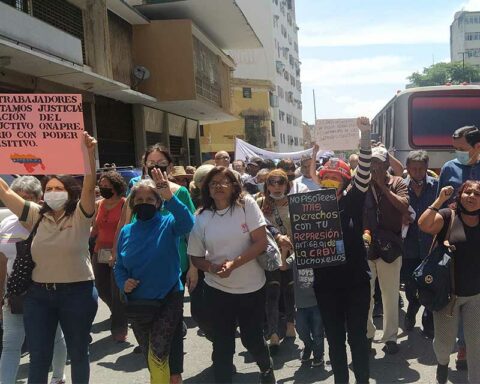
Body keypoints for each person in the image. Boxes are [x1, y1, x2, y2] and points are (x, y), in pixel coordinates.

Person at [0, 132, 98, 383]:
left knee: (78, 353)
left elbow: (89, 186)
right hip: (39, 296)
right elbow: (5, 193)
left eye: (59, 189)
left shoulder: (80, 215)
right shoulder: (35, 215)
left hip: (77, 294)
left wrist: (89, 154)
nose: (54, 192)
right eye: (49, 189)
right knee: (39, 356)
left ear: (69, 193)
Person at [115, 144, 197, 382]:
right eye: (139, 199)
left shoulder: (169, 222)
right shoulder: (127, 231)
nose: (144, 202)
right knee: (152, 355)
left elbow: (188, 224)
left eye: (150, 199)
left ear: (158, 202)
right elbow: (119, 265)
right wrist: (123, 282)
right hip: (138, 301)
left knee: (158, 352)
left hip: (168, 296)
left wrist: (168, 195)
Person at [188, 167, 275, 384]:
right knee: (222, 343)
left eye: (223, 181)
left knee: (251, 338)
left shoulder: (246, 205)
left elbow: (261, 242)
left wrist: (233, 265)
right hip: (218, 289)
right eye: (213, 183)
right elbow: (196, 257)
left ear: (234, 186)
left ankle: (266, 368)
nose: (218, 186)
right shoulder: (202, 217)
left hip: (251, 287)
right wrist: (210, 268)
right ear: (206, 189)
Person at [309, 117, 372, 384]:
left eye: (337, 179)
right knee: (334, 341)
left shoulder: (354, 201)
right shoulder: (310, 207)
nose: (331, 182)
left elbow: (365, 172)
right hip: (325, 285)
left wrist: (365, 135)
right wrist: (313, 156)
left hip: (356, 282)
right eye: (327, 178)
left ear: (346, 182)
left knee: (357, 339)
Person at [0, 176, 67, 384]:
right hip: (16, 293)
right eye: (16, 198)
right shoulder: (5, 224)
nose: (19, 204)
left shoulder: (51, 223)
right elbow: (2, 263)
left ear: (39, 201)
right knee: (11, 343)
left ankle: (58, 377)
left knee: (55, 337)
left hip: (46, 291)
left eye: (26, 199)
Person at [418, 181, 480, 384]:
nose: (472, 196)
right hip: (447, 294)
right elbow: (424, 224)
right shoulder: (448, 216)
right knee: (444, 343)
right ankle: (443, 365)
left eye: (477, 193)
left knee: (476, 345)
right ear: (460, 195)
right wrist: (440, 199)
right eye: (467, 192)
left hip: (476, 296)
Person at [436, 125, 480, 369]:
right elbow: (441, 204)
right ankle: (461, 346)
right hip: (455, 242)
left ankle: (470, 344)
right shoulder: (448, 168)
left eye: (462, 149)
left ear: (477, 147)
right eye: (455, 149)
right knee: (459, 291)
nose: (457, 154)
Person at [364, 146, 409, 355]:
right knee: (365, 295)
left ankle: (390, 337)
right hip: (364, 247)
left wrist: (383, 187)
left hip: (389, 248)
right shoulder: (360, 184)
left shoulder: (397, 182)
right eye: (372, 163)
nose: (375, 167)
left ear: (386, 165)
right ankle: (367, 334)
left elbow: (403, 206)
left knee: (390, 295)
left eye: (379, 163)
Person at [257, 170, 296, 351]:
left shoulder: (295, 204)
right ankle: (272, 333)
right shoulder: (259, 203)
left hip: (292, 254)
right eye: (272, 182)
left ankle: (290, 324)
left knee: (290, 291)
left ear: (287, 185)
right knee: (272, 294)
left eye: (281, 182)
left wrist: (289, 246)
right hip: (269, 256)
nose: (277, 186)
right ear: (267, 185)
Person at [402, 151, 437, 337]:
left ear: (426, 168)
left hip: (430, 245)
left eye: (421, 168)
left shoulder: (436, 187)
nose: (417, 172)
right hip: (408, 248)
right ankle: (411, 309)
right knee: (410, 285)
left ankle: (428, 318)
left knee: (430, 284)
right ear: (407, 168)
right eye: (413, 168)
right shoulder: (400, 187)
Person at [91, 171, 128, 342]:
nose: (104, 188)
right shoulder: (99, 204)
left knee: (116, 289)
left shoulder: (125, 204)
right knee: (100, 287)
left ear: (116, 186)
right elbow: (95, 229)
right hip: (100, 251)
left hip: (118, 252)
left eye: (107, 186)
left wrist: (116, 251)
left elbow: (126, 229)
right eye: (102, 185)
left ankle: (119, 327)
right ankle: (121, 312)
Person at [282, 253, 324, 367]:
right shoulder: (295, 256)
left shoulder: (318, 254)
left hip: (316, 302)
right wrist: (284, 249)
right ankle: (308, 346)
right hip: (300, 304)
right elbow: (283, 266)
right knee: (301, 330)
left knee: (318, 332)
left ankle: (318, 354)